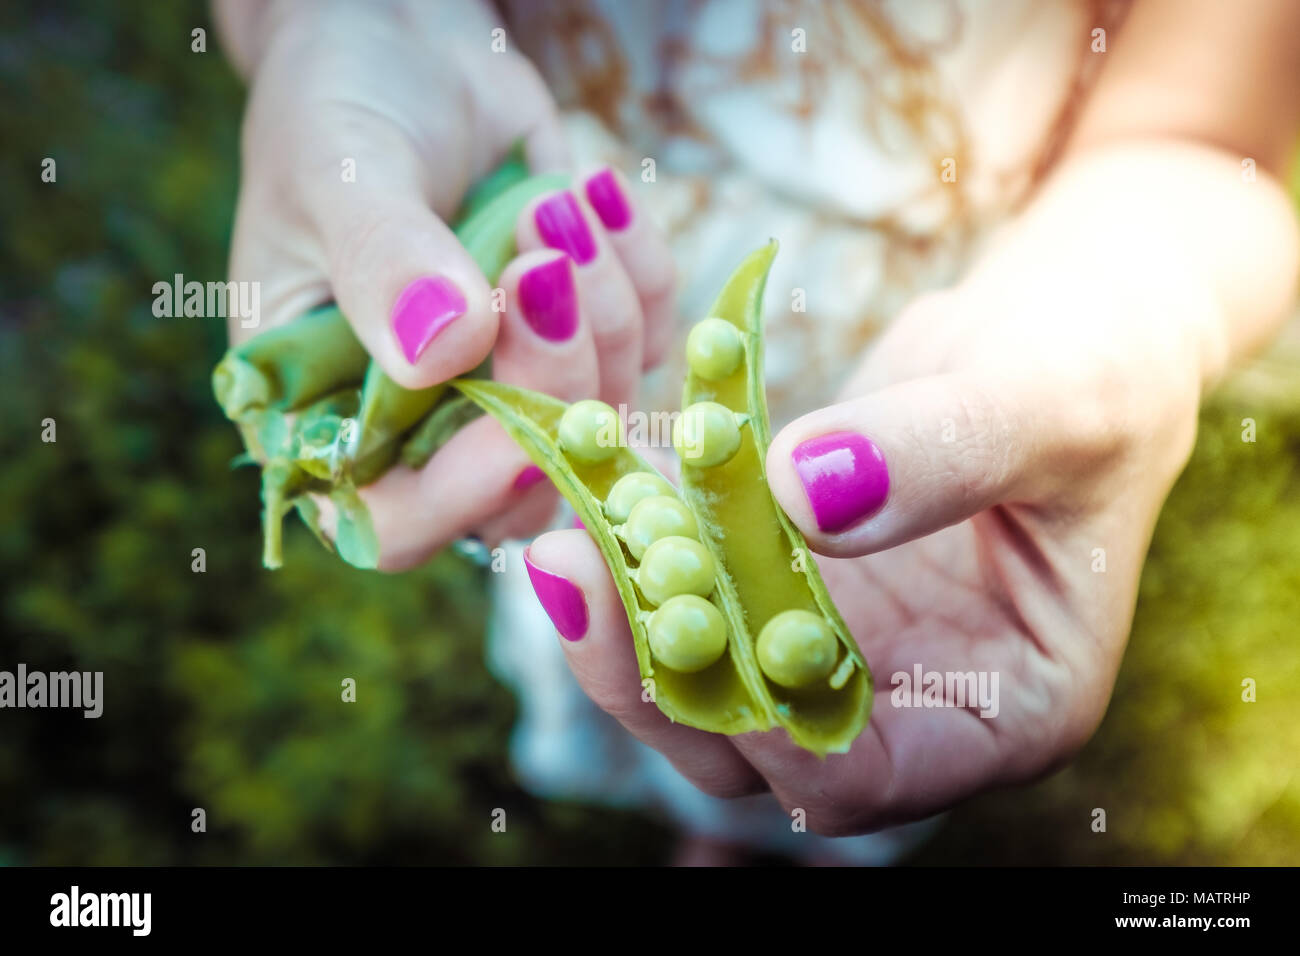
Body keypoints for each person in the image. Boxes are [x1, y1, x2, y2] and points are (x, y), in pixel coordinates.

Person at [214, 0, 1300, 864]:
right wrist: (338, 22)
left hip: (930, 355)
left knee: (875, 675)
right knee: (633, 638)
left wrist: (1121, 319)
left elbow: (1196, 136)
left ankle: (812, 836)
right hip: (601, 312)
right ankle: (712, 826)